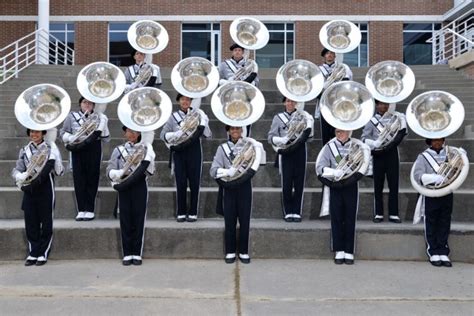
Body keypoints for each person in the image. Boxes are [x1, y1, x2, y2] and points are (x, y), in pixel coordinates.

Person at [210, 126, 264, 264]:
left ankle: (244, 251)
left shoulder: (250, 146)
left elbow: (260, 163)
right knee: (230, 221)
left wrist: (258, 149)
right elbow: (213, 170)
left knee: (245, 220)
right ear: (228, 131)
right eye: (232, 129)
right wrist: (227, 172)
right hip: (228, 188)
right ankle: (230, 251)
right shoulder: (222, 148)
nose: (235, 131)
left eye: (237, 129)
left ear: (241, 131)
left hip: (245, 187)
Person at [316, 129, 369, 265]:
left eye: (343, 131)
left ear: (349, 131)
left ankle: (349, 250)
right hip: (335, 185)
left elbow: (363, 165)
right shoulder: (329, 147)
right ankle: (339, 249)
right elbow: (321, 167)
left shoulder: (357, 146)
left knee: (350, 218)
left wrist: (349, 179)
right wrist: (333, 173)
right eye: (337, 131)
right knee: (337, 218)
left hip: (351, 186)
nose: (340, 134)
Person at [11, 128, 63, 266]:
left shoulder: (50, 148)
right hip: (30, 189)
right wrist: (18, 175)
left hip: (46, 188)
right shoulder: (24, 150)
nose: (34, 135)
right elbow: (17, 169)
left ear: (43, 134)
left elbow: (59, 171)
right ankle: (33, 252)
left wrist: (56, 156)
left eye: (37, 132)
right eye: (32, 132)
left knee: (46, 223)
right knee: (30, 222)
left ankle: (43, 252)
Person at [106, 126, 155, 266]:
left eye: (135, 131)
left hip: (140, 186)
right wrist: (119, 173)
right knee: (125, 219)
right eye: (129, 131)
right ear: (124, 133)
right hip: (124, 186)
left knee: (139, 220)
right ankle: (127, 253)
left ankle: (136, 253)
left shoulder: (145, 149)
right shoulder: (118, 150)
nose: (132, 134)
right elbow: (109, 170)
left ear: (139, 133)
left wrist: (149, 155)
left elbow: (151, 172)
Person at [160, 93, 211, 222]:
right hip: (179, 152)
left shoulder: (198, 115)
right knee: (180, 183)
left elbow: (208, 135)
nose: (185, 102)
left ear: (191, 101)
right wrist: (175, 134)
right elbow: (163, 135)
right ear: (178, 101)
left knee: (195, 183)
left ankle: (193, 212)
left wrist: (204, 122)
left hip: (195, 152)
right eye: (183, 99)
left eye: (188, 99)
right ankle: (181, 212)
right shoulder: (173, 117)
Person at [60, 97, 109, 221]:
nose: (87, 105)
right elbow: (62, 132)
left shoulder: (99, 117)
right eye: (84, 102)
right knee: (79, 179)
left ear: (94, 105)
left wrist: (104, 124)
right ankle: (81, 209)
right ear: (80, 104)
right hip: (77, 148)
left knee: (92, 178)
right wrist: (70, 137)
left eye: (90, 103)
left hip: (94, 148)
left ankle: (90, 209)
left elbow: (106, 139)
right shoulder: (72, 116)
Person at [268, 96, 313, 222]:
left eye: (293, 101)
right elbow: (270, 137)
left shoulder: (304, 116)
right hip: (285, 150)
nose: (290, 103)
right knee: (286, 183)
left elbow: (310, 137)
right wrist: (280, 140)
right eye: (288, 101)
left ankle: (297, 211)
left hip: (300, 150)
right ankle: (288, 211)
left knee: (299, 183)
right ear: (284, 103)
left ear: (296, 103)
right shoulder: (278, 117)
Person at [412, 138, 456, 268]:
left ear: (443, 141)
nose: (437, 142)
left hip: (447, 192)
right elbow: (417, 175)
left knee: (444, 222)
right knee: (431, 223)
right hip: (431, 193)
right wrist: (432, 178)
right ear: (430, 141)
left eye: (440, 140)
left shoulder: (451, 155)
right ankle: (432, 251)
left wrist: (461, 161)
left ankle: (443, 251)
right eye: (435, 140)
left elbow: (456, 172)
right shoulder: (423, 156)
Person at [361, 99, 407, 223]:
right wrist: (374, 144)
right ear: (376, 106)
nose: (383, 106)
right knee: (378, 186)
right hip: (378, 155)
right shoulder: (371, 121)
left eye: (386, 104)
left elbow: (402, 133)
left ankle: (394, 214)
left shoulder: (395, 118)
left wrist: (403, 122)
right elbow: (364, 138)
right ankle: (378, 213)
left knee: (394, 185)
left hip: (392, 154)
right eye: (380, 104)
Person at [219, 43, 259, 137]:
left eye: (239, 50)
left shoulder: (250, 64)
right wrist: (224, 82)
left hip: (245, 96)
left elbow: (257, 81)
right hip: (230, 96)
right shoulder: (224, 65)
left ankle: (245, 139)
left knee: (247, 119)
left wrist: (249, 83)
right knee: (230, 119)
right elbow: (218, 78)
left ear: (242, 52)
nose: (237, 52)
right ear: (232, 52)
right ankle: (231, 141)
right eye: (235, 50)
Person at [315, 48, 353, 145]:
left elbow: (348, 83)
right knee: (325, 134)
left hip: (340, 104)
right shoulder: (318, 70)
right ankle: (328, 157)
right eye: (327, 53)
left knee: (339, 132)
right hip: (325, 104)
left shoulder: (343, 68)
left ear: (335, 55)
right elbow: (315, 89)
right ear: (324, 56)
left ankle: (339, 157)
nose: (330, 55)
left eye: (332, 53)